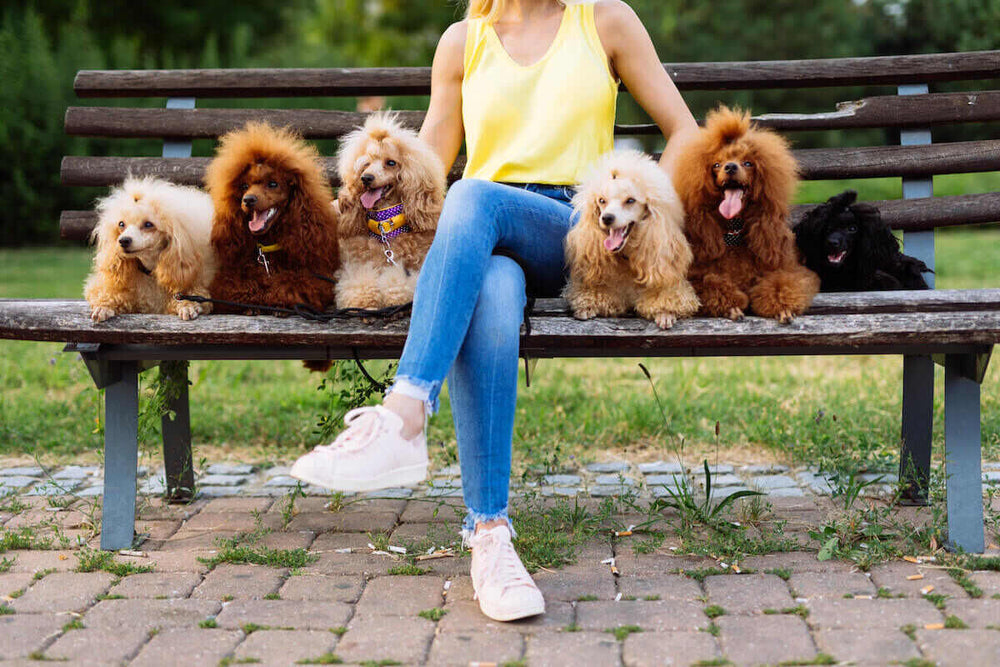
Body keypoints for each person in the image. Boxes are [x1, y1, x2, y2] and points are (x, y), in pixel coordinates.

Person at [291, 0, 698, 621]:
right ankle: (490, 538)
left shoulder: (605, 19)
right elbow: (425, 166)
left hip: (574, 225)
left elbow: (686, 133)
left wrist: (647, 220)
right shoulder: (463, 41)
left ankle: (404, 413)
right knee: (493, 291)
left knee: (474, 194)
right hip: (480, 240)